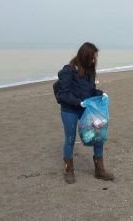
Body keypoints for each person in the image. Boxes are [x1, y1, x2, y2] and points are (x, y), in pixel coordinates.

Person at [55, 42, 114, 184]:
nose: (93, 60)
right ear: (84, 56)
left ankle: (99, 170)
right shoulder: (68, 71)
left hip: (86, 110)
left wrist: (101, 93)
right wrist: (78, 102)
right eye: (92, 57)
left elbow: (90, 90)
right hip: (69, 110)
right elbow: (62, 94)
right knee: (70, 138)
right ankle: (69, 170)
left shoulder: (90, 70)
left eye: (95, 58)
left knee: (98, 135)